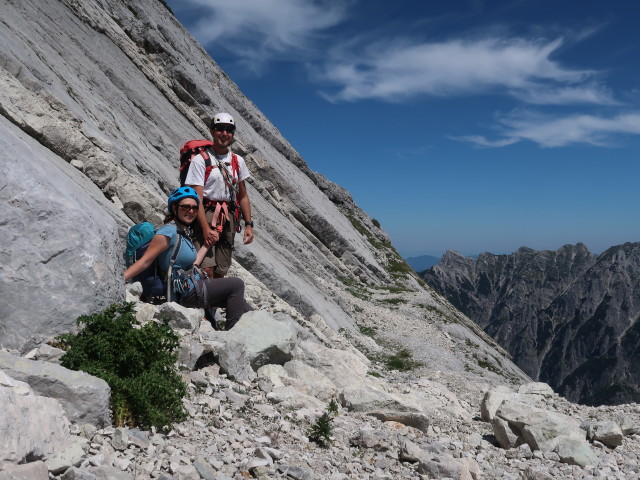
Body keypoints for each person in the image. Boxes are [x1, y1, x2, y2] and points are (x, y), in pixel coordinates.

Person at [124, 187, 252, 330]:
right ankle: (232, 336)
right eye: (185, 207)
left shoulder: (182, 232)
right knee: (236, 284)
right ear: (174, 208)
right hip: (184, 293)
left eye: (194, 208)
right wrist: (121, 279)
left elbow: (193, 263)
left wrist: (207, 245)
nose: (190, 211)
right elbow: (145, 261)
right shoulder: (168, 232)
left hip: (193, 287)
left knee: (245, 307)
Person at [185, 112, 254, 281]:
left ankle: (212, 306)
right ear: (212, 131)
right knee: (206, 269)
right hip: (206, 214)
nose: (224, 133)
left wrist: (249, 224)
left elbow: (243, 195)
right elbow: (196, 198)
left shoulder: (238, 161)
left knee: (221, 270)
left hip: (229, 217)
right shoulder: (200, 160)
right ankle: (202, 304)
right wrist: (205, 228)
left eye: (229, 130)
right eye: (220, 129)